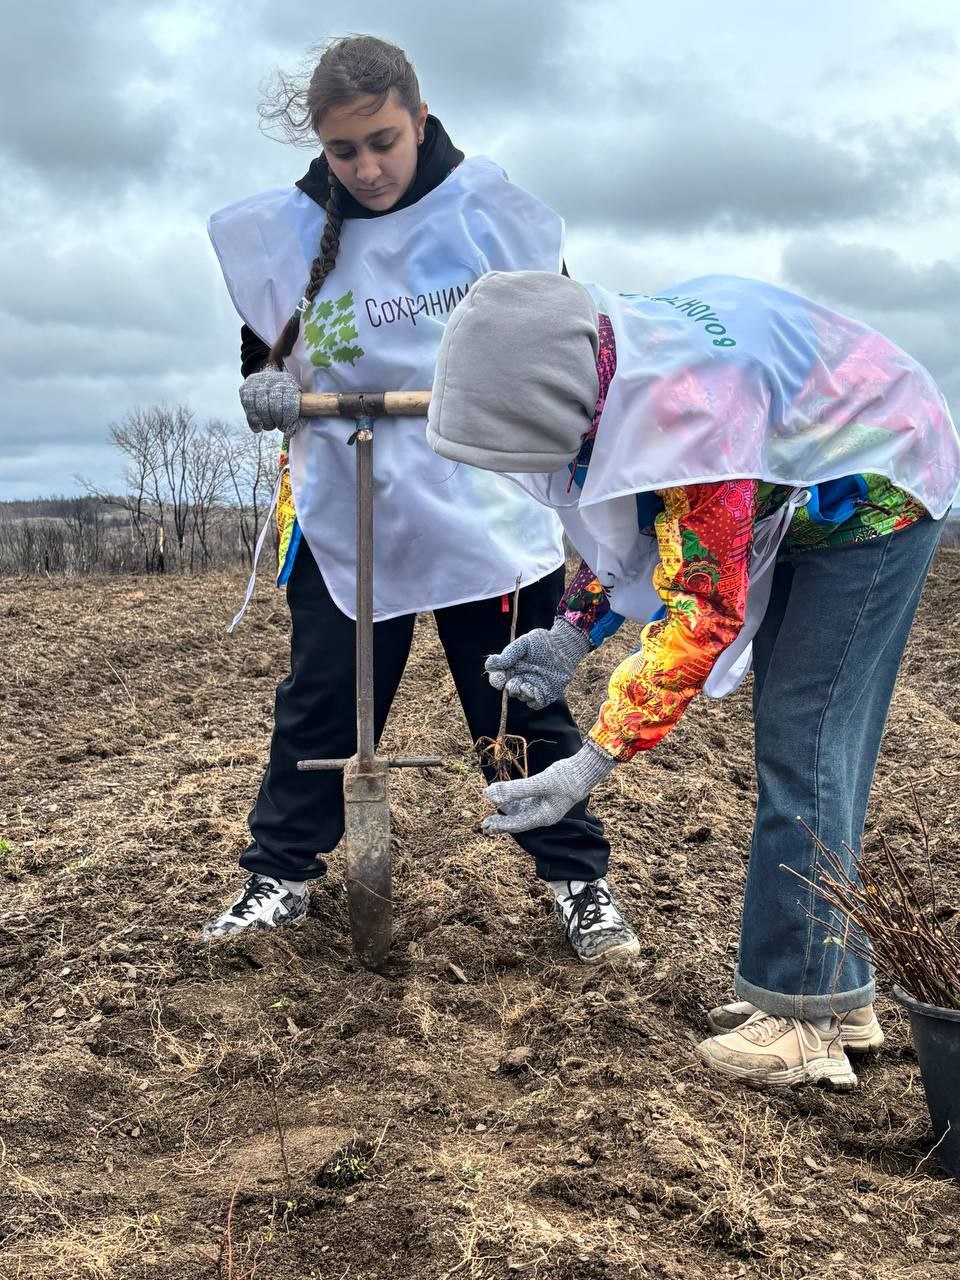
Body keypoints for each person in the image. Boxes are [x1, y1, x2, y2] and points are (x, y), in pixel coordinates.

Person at [426, 269, 960, 1089]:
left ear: (559, 404)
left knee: (808, 739)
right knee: (810, 742)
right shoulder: (617, 377)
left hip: (874, 490)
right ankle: (835, 993)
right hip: (810, 484)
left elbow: (702, 606)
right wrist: (572, 633)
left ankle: (801, 1021)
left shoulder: (694, 411)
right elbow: (651, 531)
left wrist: (588, 762)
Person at [202, 36, 640, 963]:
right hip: (349, 501)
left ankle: (578, 881)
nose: (366, 169)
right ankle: (280, 876)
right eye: (343, 151)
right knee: (322, 701)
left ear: (421, 120)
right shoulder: (292, 235)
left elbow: (566, 337)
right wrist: (265, 385)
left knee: (515, 698)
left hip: (484, 495)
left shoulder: (489, 217)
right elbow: (266, 346)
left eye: (383, 143)